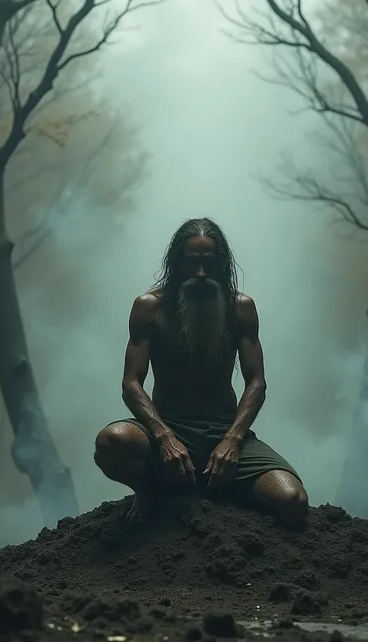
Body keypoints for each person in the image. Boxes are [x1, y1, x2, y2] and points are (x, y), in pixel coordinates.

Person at [94, 218, 308, 526]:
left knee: (293, 500)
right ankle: (150, 491)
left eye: (209, 263)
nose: (201, 274)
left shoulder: (241, 308)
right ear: (175, 263)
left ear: (222, 264)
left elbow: (257, 383)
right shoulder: (149, 307)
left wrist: (233, 441)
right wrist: (165, 437)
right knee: (112, 442)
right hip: (166, 428)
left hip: (225, 433)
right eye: (192, 263)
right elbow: (131, 383)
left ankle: (225, 487)